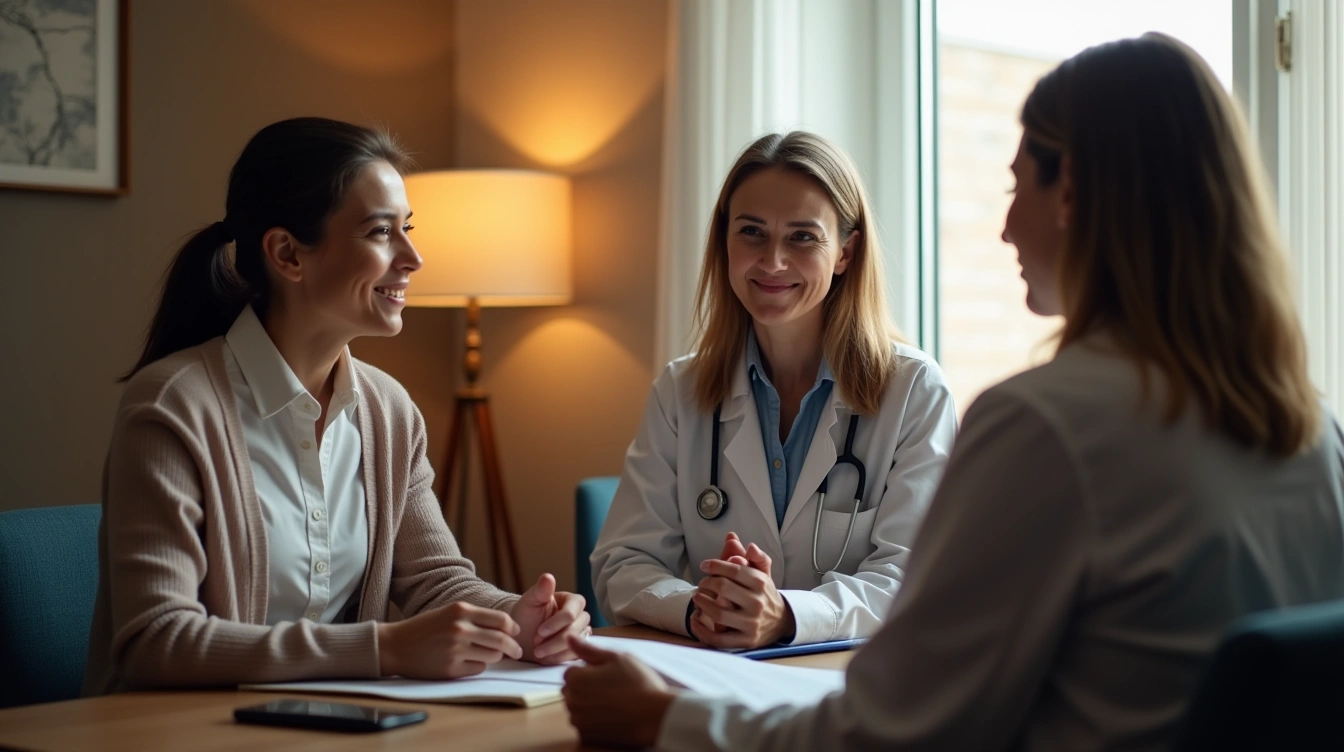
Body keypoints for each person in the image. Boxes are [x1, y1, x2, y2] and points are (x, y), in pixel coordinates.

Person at [563, 33, 1344, 750]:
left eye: (1015, 185)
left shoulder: (1045, 426)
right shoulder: (1312, 429)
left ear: (1069, 190)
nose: (1005, 227)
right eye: (750, 231)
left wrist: (667, 719)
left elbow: (899, 730)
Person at [84, 117, 591, 695]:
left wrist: (517, 621)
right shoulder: (175, 406)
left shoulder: (389, 411)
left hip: (323, 727)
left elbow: (436, 580)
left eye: (409, 228)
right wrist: (385, 647)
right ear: (287, 254)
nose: (414, 257)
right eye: (381, 232)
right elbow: (156, 640)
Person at [591, 131, 958, 649]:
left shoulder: (915, 390)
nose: (772, 262)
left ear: (846, 253)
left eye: (803, 237)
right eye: (752, 232)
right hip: (718, 673)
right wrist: (701, 609)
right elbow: (623, 563)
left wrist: (784, 614)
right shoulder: (682, 390)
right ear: (725, 241)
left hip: (852, 685)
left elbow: (915, 578)